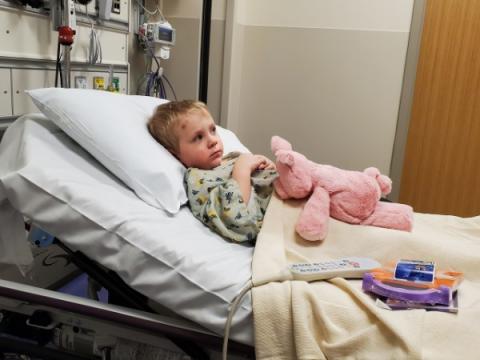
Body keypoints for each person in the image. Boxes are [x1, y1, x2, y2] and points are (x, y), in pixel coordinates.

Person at [148, 100, 277, 243]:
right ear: (174, 154)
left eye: (213, 130)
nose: (213, 141)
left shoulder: (232, 157)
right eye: (198, 137)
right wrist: (242, 170)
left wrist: (268, 166)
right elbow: (233, 217)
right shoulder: (197, 179)